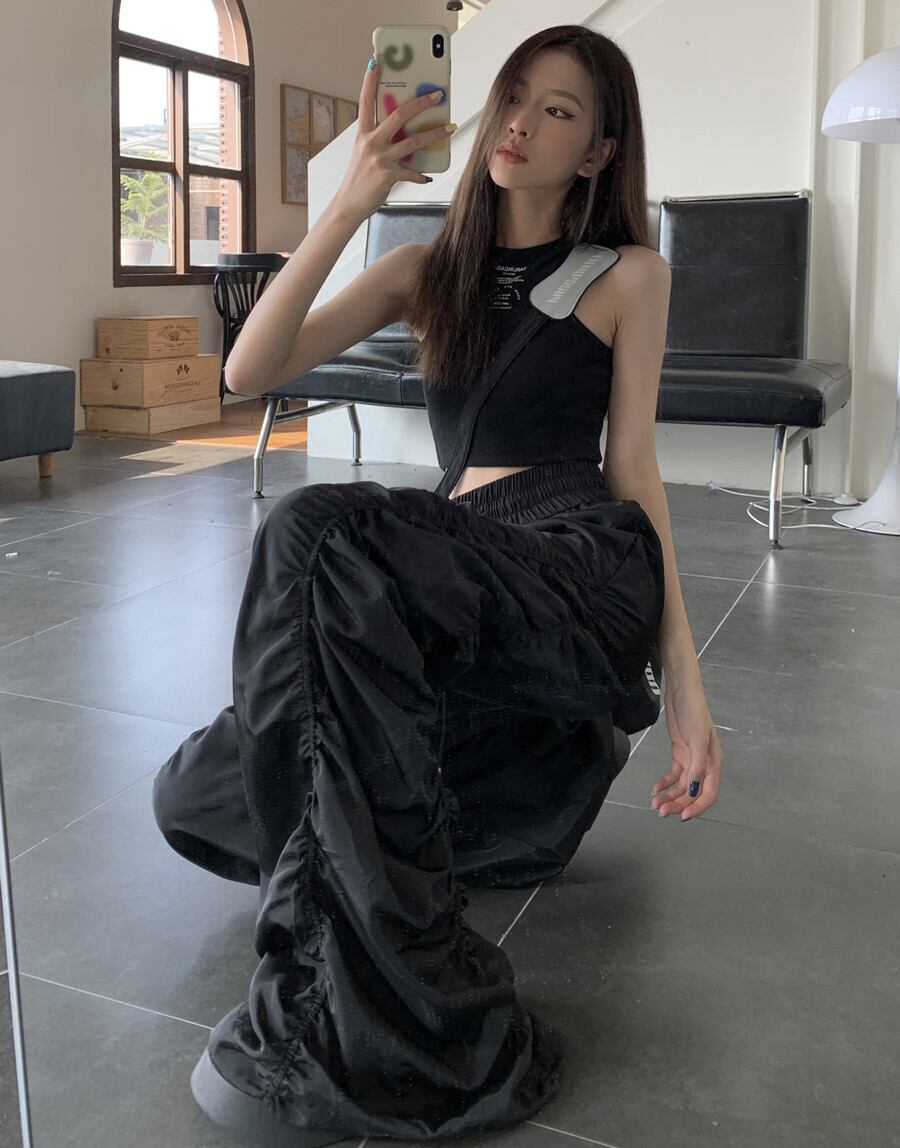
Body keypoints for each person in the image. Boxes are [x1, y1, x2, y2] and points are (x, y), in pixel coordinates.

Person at [152, 24, 723, 1146]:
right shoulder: (425, 272)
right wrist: (351, 202)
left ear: (598, 151)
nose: (519, 122)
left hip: (573, 556)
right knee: (199, 791)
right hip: (455, 561)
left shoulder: (629, 275)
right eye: (513, 96)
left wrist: (686, 690)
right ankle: (413, 838)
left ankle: (377, 994)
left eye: (557, 110)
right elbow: (250, 368)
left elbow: (636, 471)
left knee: (317, 529)